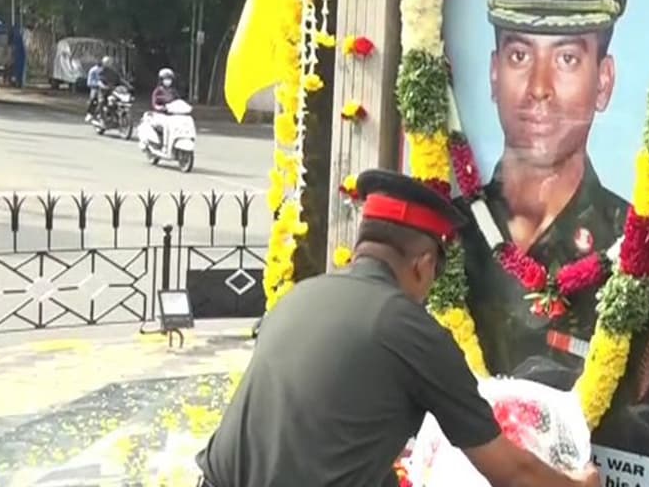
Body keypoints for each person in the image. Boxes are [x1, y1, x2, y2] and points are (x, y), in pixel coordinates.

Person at [457, 0, 649, 468]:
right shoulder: (440, 244)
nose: (538, 88)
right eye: (517, 55)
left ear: (604, 82)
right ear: (491, 74)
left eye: (568, 59)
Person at [196, 169, 600, 487]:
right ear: (423, 264)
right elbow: (510, 474)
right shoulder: (410, 330)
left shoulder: (299, 297)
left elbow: (336, 445)